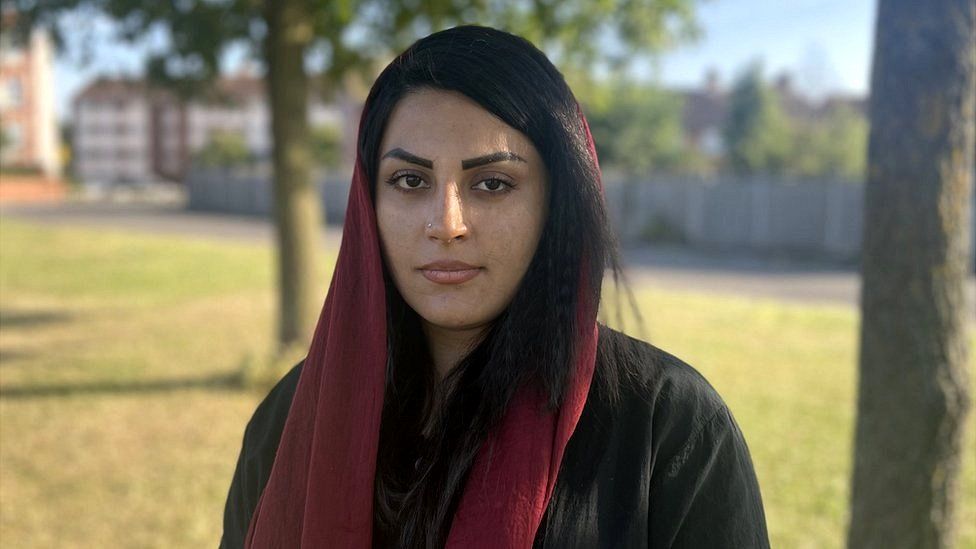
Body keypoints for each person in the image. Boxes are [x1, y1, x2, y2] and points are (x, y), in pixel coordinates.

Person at [220, 25, 769, 549]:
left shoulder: (669, 427)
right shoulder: (294, 415)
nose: (446, 222)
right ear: (369, 202)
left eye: (492, 183)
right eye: (410, 181)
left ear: (555, 204)